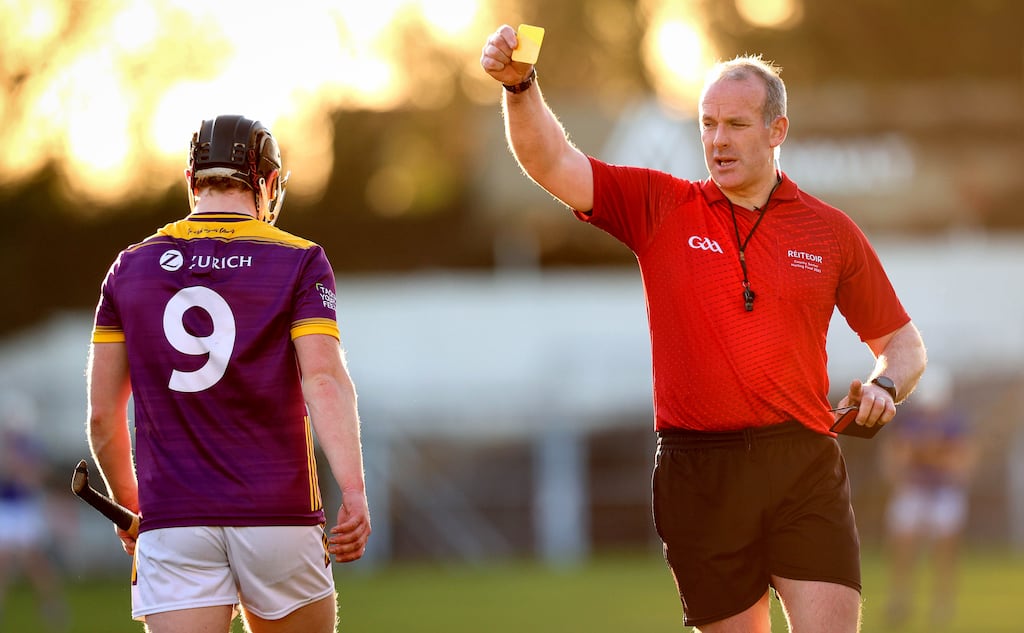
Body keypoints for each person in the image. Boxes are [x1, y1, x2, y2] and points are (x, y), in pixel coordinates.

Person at [481, 26, 927, 633]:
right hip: (699, 471)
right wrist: (520, 84)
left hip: (802, 463)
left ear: (777, 131)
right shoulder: (659, 205)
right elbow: (551, 160)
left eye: (736, 125)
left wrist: (885, 386)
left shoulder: (830, 232)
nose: (718, 141)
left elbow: (903, 345)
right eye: (708, 124)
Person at [86, 114, 371, 633]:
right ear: (266, 183)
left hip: (173, 517)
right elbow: (323, 380)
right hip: (277, 512)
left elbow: (104, 416)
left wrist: (132, 508)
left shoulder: (129, 267)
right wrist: (352, 491)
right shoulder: (300, 260)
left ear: (192, 181)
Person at [881, 367, 975, 628]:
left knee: (945, 550)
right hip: (913, 491)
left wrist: (923, 453)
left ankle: (942, 604)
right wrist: (932, 453)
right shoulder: (908, 422)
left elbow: (960, 466)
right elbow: (896, 463)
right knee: (902, 546)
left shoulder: (955, 423)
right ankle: (900, 599)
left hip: (944, 494)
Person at [0, 393, 67, 631]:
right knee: (4, 562)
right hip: (7, 509)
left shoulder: (31, 447)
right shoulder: (8, 449)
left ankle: (52, 606)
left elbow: (34, 478)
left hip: (25, 509)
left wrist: (25, 471)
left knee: (35, 562)